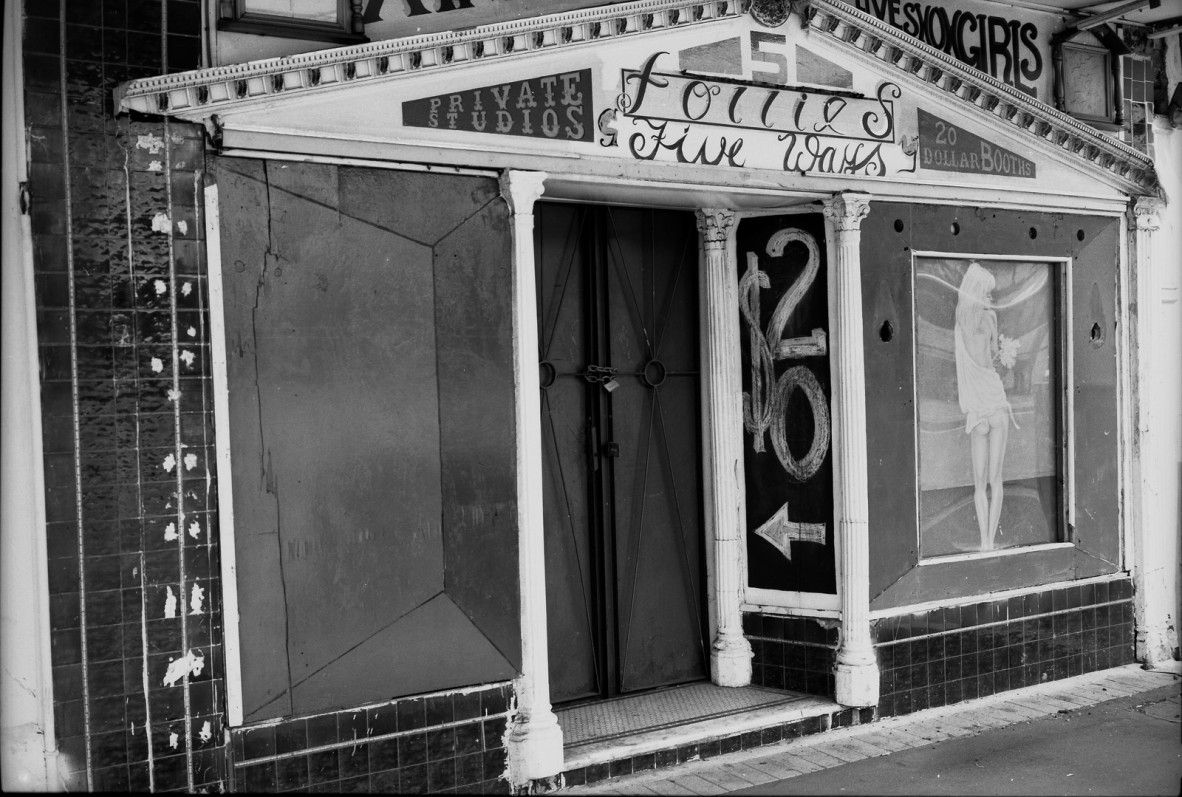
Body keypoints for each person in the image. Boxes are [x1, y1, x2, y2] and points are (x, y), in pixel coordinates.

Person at [954, 263, 1016, 551]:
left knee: (979, 483)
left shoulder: (960, 320)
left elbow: (962, 366)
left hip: (976, 407)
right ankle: (992, 539)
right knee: (996, 478)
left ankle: (984, 544)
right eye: (988, 293)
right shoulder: (990, 318)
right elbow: (992, 357)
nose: (990, 299)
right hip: (994, 400)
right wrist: (1005, 352)